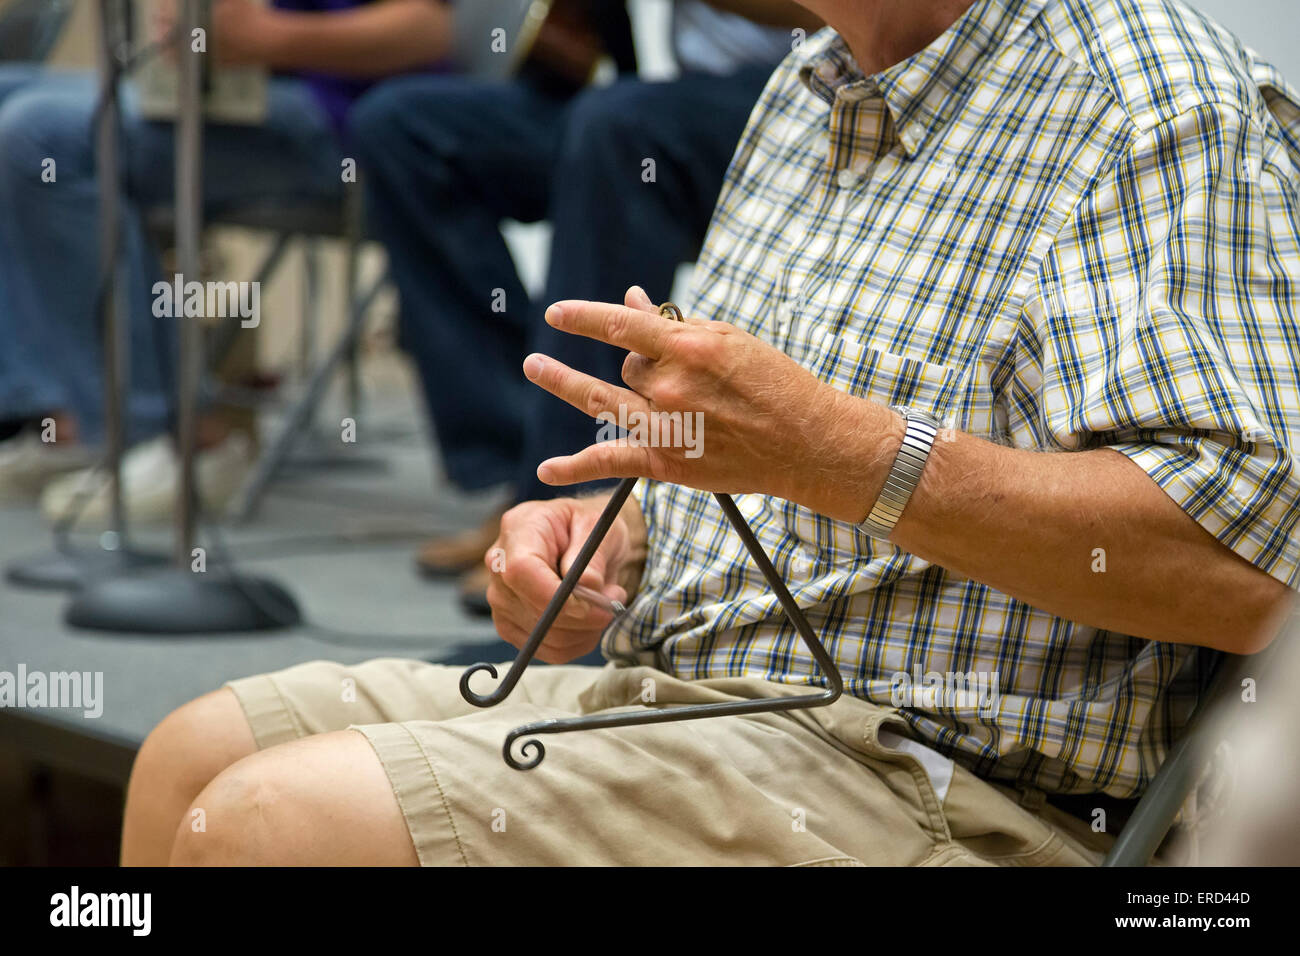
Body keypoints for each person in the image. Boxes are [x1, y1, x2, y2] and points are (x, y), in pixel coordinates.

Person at [123, 0, 1299, 866]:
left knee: (271, 830)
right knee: (188, 750)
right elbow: (750, 470)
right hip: (695, 698)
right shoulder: (803, 88)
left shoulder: (1160, 107)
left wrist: (844, 454)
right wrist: (598, 543)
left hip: (949, 787)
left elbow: (1250, 577)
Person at [346, 1, 821, 609]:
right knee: (403, 127)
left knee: (618, 130)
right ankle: (519, 468)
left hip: (808, 89)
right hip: (659, 88)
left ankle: (575, 506)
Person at [0, 0, 451, 523]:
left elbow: (437, 31)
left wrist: (266, 35)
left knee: (38, 136)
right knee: (9, 91)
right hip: (254, 84)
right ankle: (68, 414)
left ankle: (178, 440)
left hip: (348, 120)